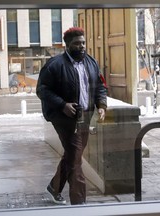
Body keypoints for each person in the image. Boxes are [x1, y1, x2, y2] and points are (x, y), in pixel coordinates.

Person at [36, 27, 107, 205]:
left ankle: (54, 187)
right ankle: (79, 204)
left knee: (72, 155)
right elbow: (42, 90)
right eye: (77, 44)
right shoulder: (54, 65)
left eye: (83, 43)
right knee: (76, 161)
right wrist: (62, 105)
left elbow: (99, 86)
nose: (81, 46)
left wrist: (101, 105)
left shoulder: (91, 62)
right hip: (62, 117)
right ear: (67, 46)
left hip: (85, 116)